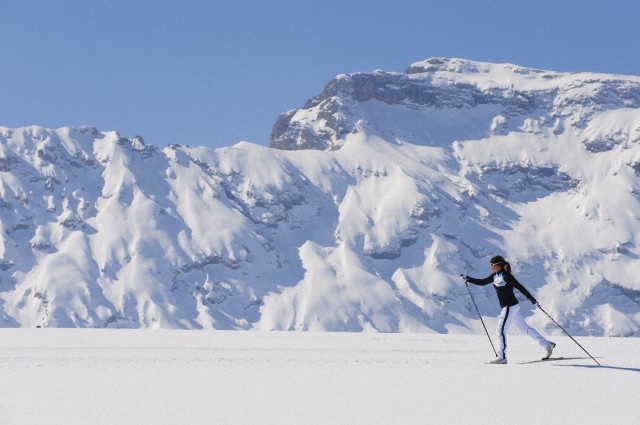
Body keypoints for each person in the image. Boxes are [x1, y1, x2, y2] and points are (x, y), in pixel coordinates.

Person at [463, 255, 555, 364]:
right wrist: (468, 279)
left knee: (500, 330)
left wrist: (532, 299)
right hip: (511, 307)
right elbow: (482, 282)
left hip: (510, 306)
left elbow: (520, 287)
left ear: (499, 265)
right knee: (525, 328)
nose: (491, 267)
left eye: (492, 265)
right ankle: (547, 344)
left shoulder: (507, 276)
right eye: (490, 265)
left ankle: (502, 357)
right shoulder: (494, 276)